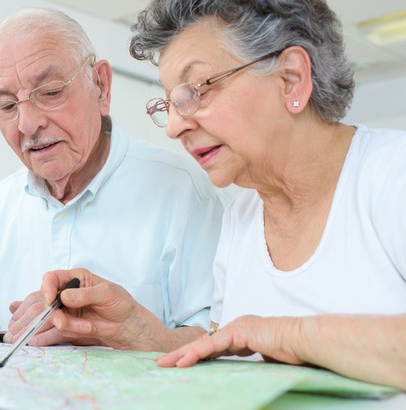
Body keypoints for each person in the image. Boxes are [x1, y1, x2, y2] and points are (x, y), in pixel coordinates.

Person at [40, 0, 406, 390]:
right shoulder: (243, 213)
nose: (175, 126)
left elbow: (255, 335)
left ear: (291, 79)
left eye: (197, 89)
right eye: (169, 103)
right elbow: (229, 351)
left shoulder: (391, 174)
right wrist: (133, 328)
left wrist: (282, 335)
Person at [0, 7, 227, 352]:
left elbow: (218, 337)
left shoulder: (182, 190)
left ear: (101, 87)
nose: (28, 124)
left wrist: (126, 330)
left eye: (49, 92)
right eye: (6, 106)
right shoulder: (4, 201)